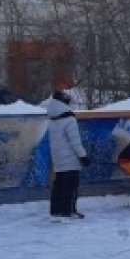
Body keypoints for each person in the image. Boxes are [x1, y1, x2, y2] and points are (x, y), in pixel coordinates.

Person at [46, 90, 90, 222]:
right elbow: (75, 141)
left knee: (59, 185)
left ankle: (56, 210)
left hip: (57, 157)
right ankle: (69, 211)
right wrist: (83, 156)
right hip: (70, 158)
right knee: (71, 186)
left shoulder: (52, 119)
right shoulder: (69, 119)